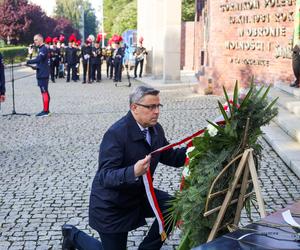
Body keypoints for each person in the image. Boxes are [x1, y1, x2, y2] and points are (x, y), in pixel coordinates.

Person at [62, 85, 187, 250]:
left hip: (138, 195)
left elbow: (171, 157)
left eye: (158, 106)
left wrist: (196, 148)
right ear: (134, 107)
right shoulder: (116, 133)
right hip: (112, 205)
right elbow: (105, 176)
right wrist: (133, 171)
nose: (156, 111)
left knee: (173, 207)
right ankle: (73, 235)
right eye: (150, 107)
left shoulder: (155, 129)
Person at [27, 34, 51, 117]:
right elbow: (41, 63)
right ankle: (46, 110)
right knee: (44, 92)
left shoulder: (43, 49)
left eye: (36, 40)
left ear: (41, 40)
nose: (34, 41)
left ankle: (46, 111)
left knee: (44, 92)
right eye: (34, 40)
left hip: (43, 74)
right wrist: (30, 54)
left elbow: (38, 59)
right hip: (41, 73)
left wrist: (27, 62)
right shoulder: (41, 49)